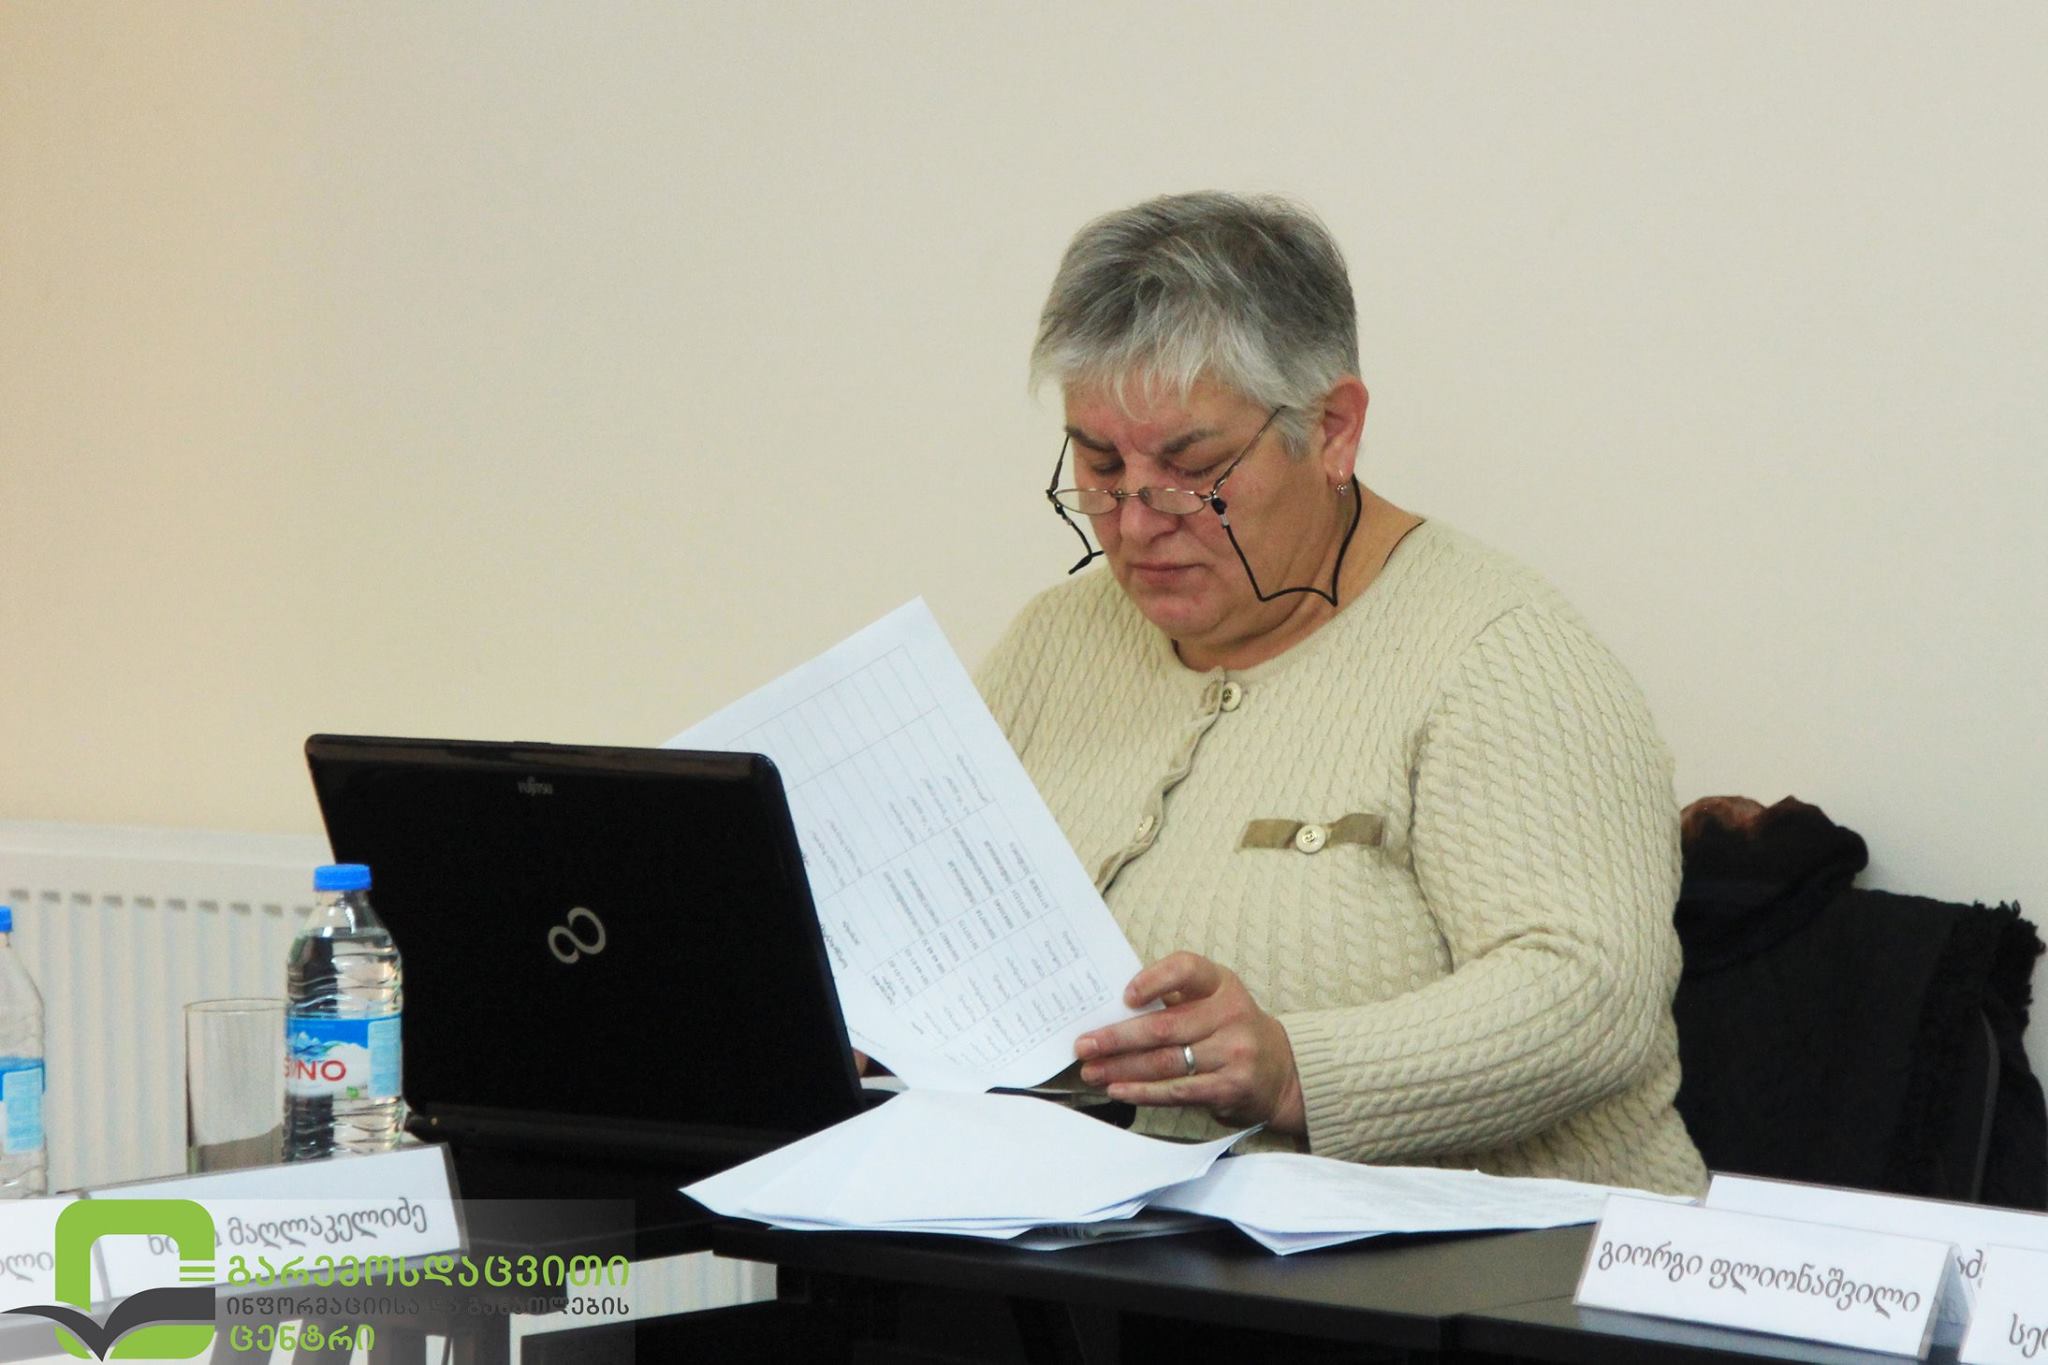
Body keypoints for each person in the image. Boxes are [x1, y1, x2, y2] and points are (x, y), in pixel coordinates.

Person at [975, 191, 1707, 1196]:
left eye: (1192, 469)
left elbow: (1593, 999)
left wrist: (1294, 1070)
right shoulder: (1054, 645)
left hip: (1496, 1267)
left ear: (1331, 430)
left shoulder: (1494, 653)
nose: (1136, 522)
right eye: (1100, 466)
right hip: (1107, 1252)